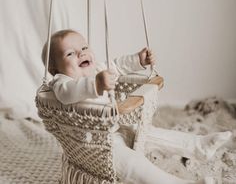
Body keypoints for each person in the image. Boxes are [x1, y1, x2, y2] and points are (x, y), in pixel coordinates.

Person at [42, 29, 231, 184]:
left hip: (117, 129)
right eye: (70, 53)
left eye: (83, 47)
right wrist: (96, 85)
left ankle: (198, 146)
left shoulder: (98, 69)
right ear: (55, 69)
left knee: (151, 133)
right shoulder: (61, 83)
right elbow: (68, 93)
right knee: (135, 165)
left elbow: (116, 66)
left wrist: (138, 60)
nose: (81, 53)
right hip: (94, 146)